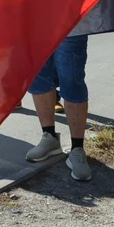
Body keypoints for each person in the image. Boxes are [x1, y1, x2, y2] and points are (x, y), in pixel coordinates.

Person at [24, 34, 92, 181]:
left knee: (72, 79)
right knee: (39, 76)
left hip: (72, 21)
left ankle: (77, 149)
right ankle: (49, 137)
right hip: (36, 22)